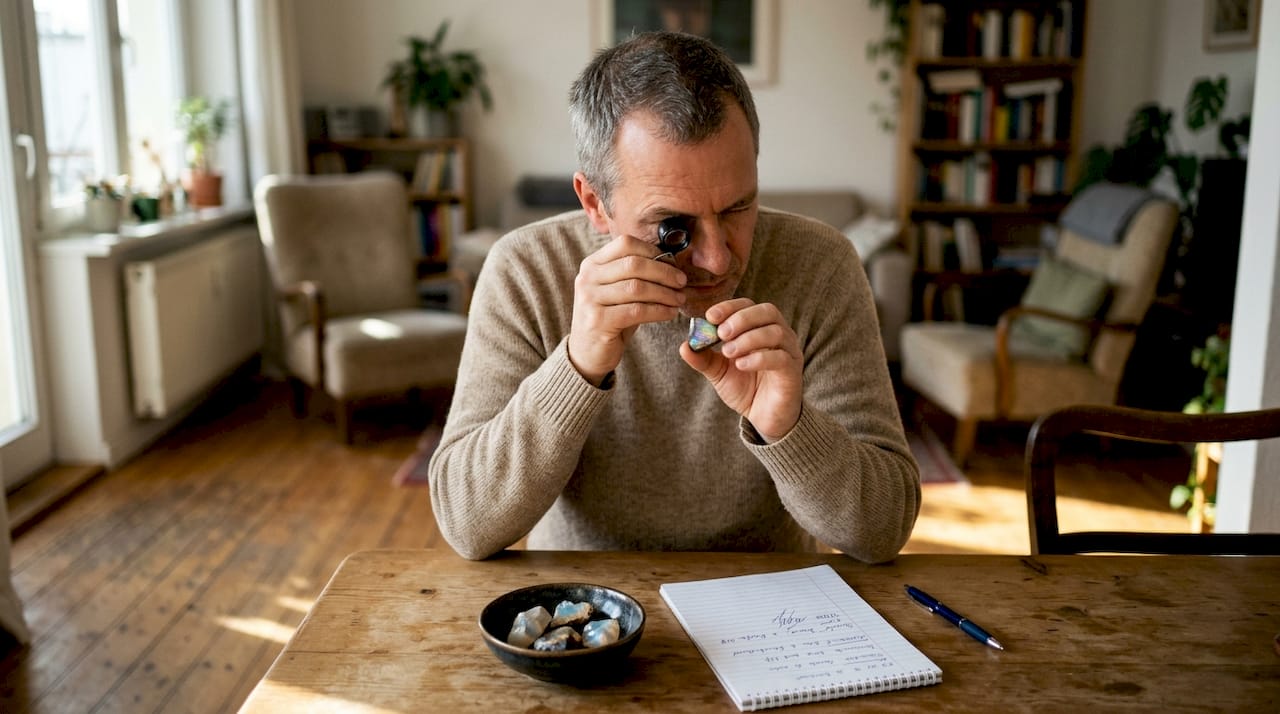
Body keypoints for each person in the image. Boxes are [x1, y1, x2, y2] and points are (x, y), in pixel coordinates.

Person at [429, 31, 919, 562]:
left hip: (771, 598)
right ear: (595, 203)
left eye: (737, 208)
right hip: (587, 606)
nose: (717, 260)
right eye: (672, 226)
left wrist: (788, 426)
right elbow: (467, 524)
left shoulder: (821, 264)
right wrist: (577, 366)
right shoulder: (526, 269)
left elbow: (882, 531)